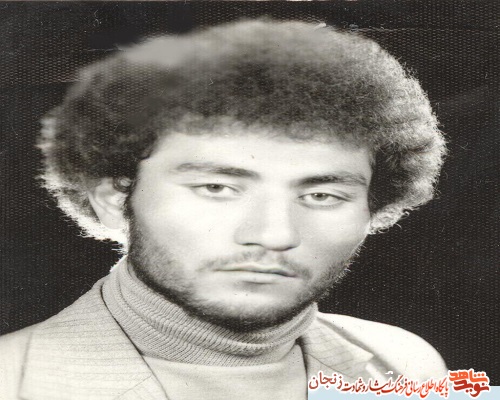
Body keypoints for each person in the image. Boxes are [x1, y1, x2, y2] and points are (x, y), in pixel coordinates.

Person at [0, 19, 448, 399]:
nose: (274, 235)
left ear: (374, 209)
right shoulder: (13, 380)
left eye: (321, 196)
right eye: (217, 188)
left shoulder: (404, 366)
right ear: (115, 200)